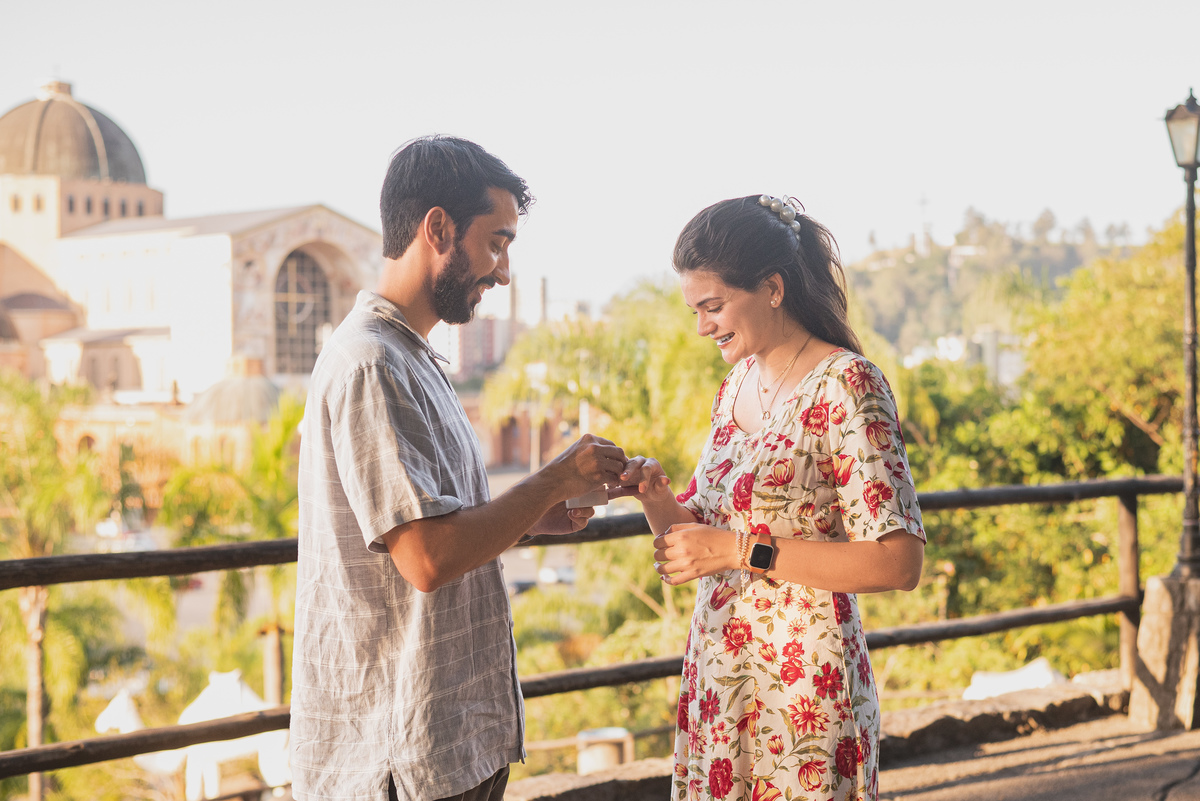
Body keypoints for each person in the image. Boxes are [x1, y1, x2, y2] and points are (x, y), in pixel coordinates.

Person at [289, 136, 629, 801]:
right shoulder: (371, 364)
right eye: (496, 243)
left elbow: (440, 526)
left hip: (448, 746)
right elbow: (427, 558)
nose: (503, 272)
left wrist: (532, 516)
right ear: (438, 228)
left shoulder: (412, 356)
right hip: (398, 760)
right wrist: (556, 478)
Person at [619, 194, 925, 801]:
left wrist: (740, 550)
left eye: (713, 306)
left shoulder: (846, 384)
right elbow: (704, 538)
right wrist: (655, 497)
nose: (702, 327)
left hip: (804, 691)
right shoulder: (734, 385)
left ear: (774, 288)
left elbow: (898, 562)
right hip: (719, 681)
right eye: (694, 310)